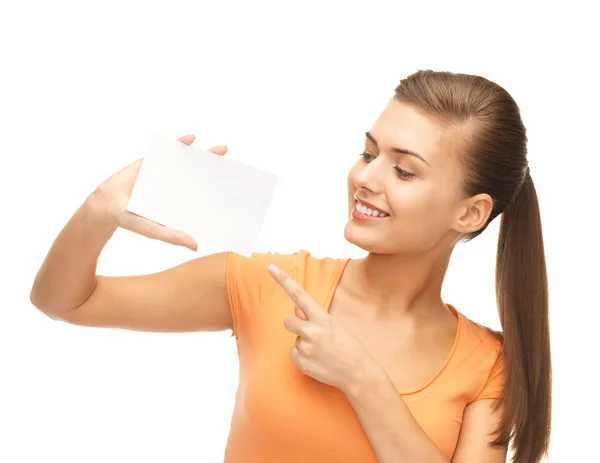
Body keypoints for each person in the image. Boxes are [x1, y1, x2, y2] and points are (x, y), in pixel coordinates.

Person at [29, 69, 551, 463]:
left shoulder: (491, 365)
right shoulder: (270, 283)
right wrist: (99, 208)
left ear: (471, 212)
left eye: (405, 171)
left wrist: (362, 380)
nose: (367, 178)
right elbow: (65, 300)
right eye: (368, 154)